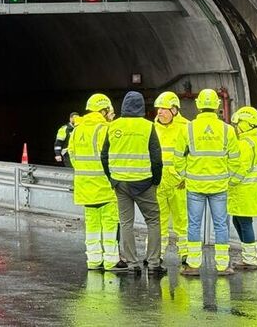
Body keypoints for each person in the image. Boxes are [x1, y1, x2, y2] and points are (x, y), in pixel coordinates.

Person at [175, 88, 243, 276]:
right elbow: (235, 159)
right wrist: (228, 178)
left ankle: (193, 265)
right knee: (221, 225)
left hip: (194, 186)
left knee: (193, 225)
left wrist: (185, 175)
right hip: (219, 187)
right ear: (217, 105)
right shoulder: (227, 130)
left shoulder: (187, 128)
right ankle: (222, 265)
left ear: (198, 105)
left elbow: (178, 157)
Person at [101, 91, 164, 274]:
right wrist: (156, 180)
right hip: (144, 182)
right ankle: (153, 263)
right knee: (153, 221)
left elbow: (104, 155)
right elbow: (156, 158)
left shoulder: (113, 126)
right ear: (141, 107)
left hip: (120, 183)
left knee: (126, 222)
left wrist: (112, 178)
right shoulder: (148, 126)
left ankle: (132, 264)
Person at [68, 94, 126, 272]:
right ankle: (111, 261)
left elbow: (72, 156)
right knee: (110, 224)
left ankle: (93, 261)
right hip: (105, 187)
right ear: (104, 110)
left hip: (85, 187)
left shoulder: (77, 130)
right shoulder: (105, 129)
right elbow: (113, 158)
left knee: (92, 225)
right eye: (109, 111)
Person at [153, 91, 189, 265]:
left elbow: (194, 155)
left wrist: (186, 177)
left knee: (182, 220)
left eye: (164, 108)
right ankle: (156, 254)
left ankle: (186, 253)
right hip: (158, 183)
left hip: (179, 183)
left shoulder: (186, 127)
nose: (159, 112)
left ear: (174, 110)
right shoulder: (152, 128)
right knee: (158, 220)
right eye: (158, 108)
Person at [228, 106, 257, 270]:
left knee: (244, 223)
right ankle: (248, 257)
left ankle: (249, 259)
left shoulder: (245, 143)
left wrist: (228, 183)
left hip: (243, 190)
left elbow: (241, 169)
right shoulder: (256, 141)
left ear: (246, 123)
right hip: (250, 191)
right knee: (239, 221)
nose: (236, 127)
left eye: (238, 123)